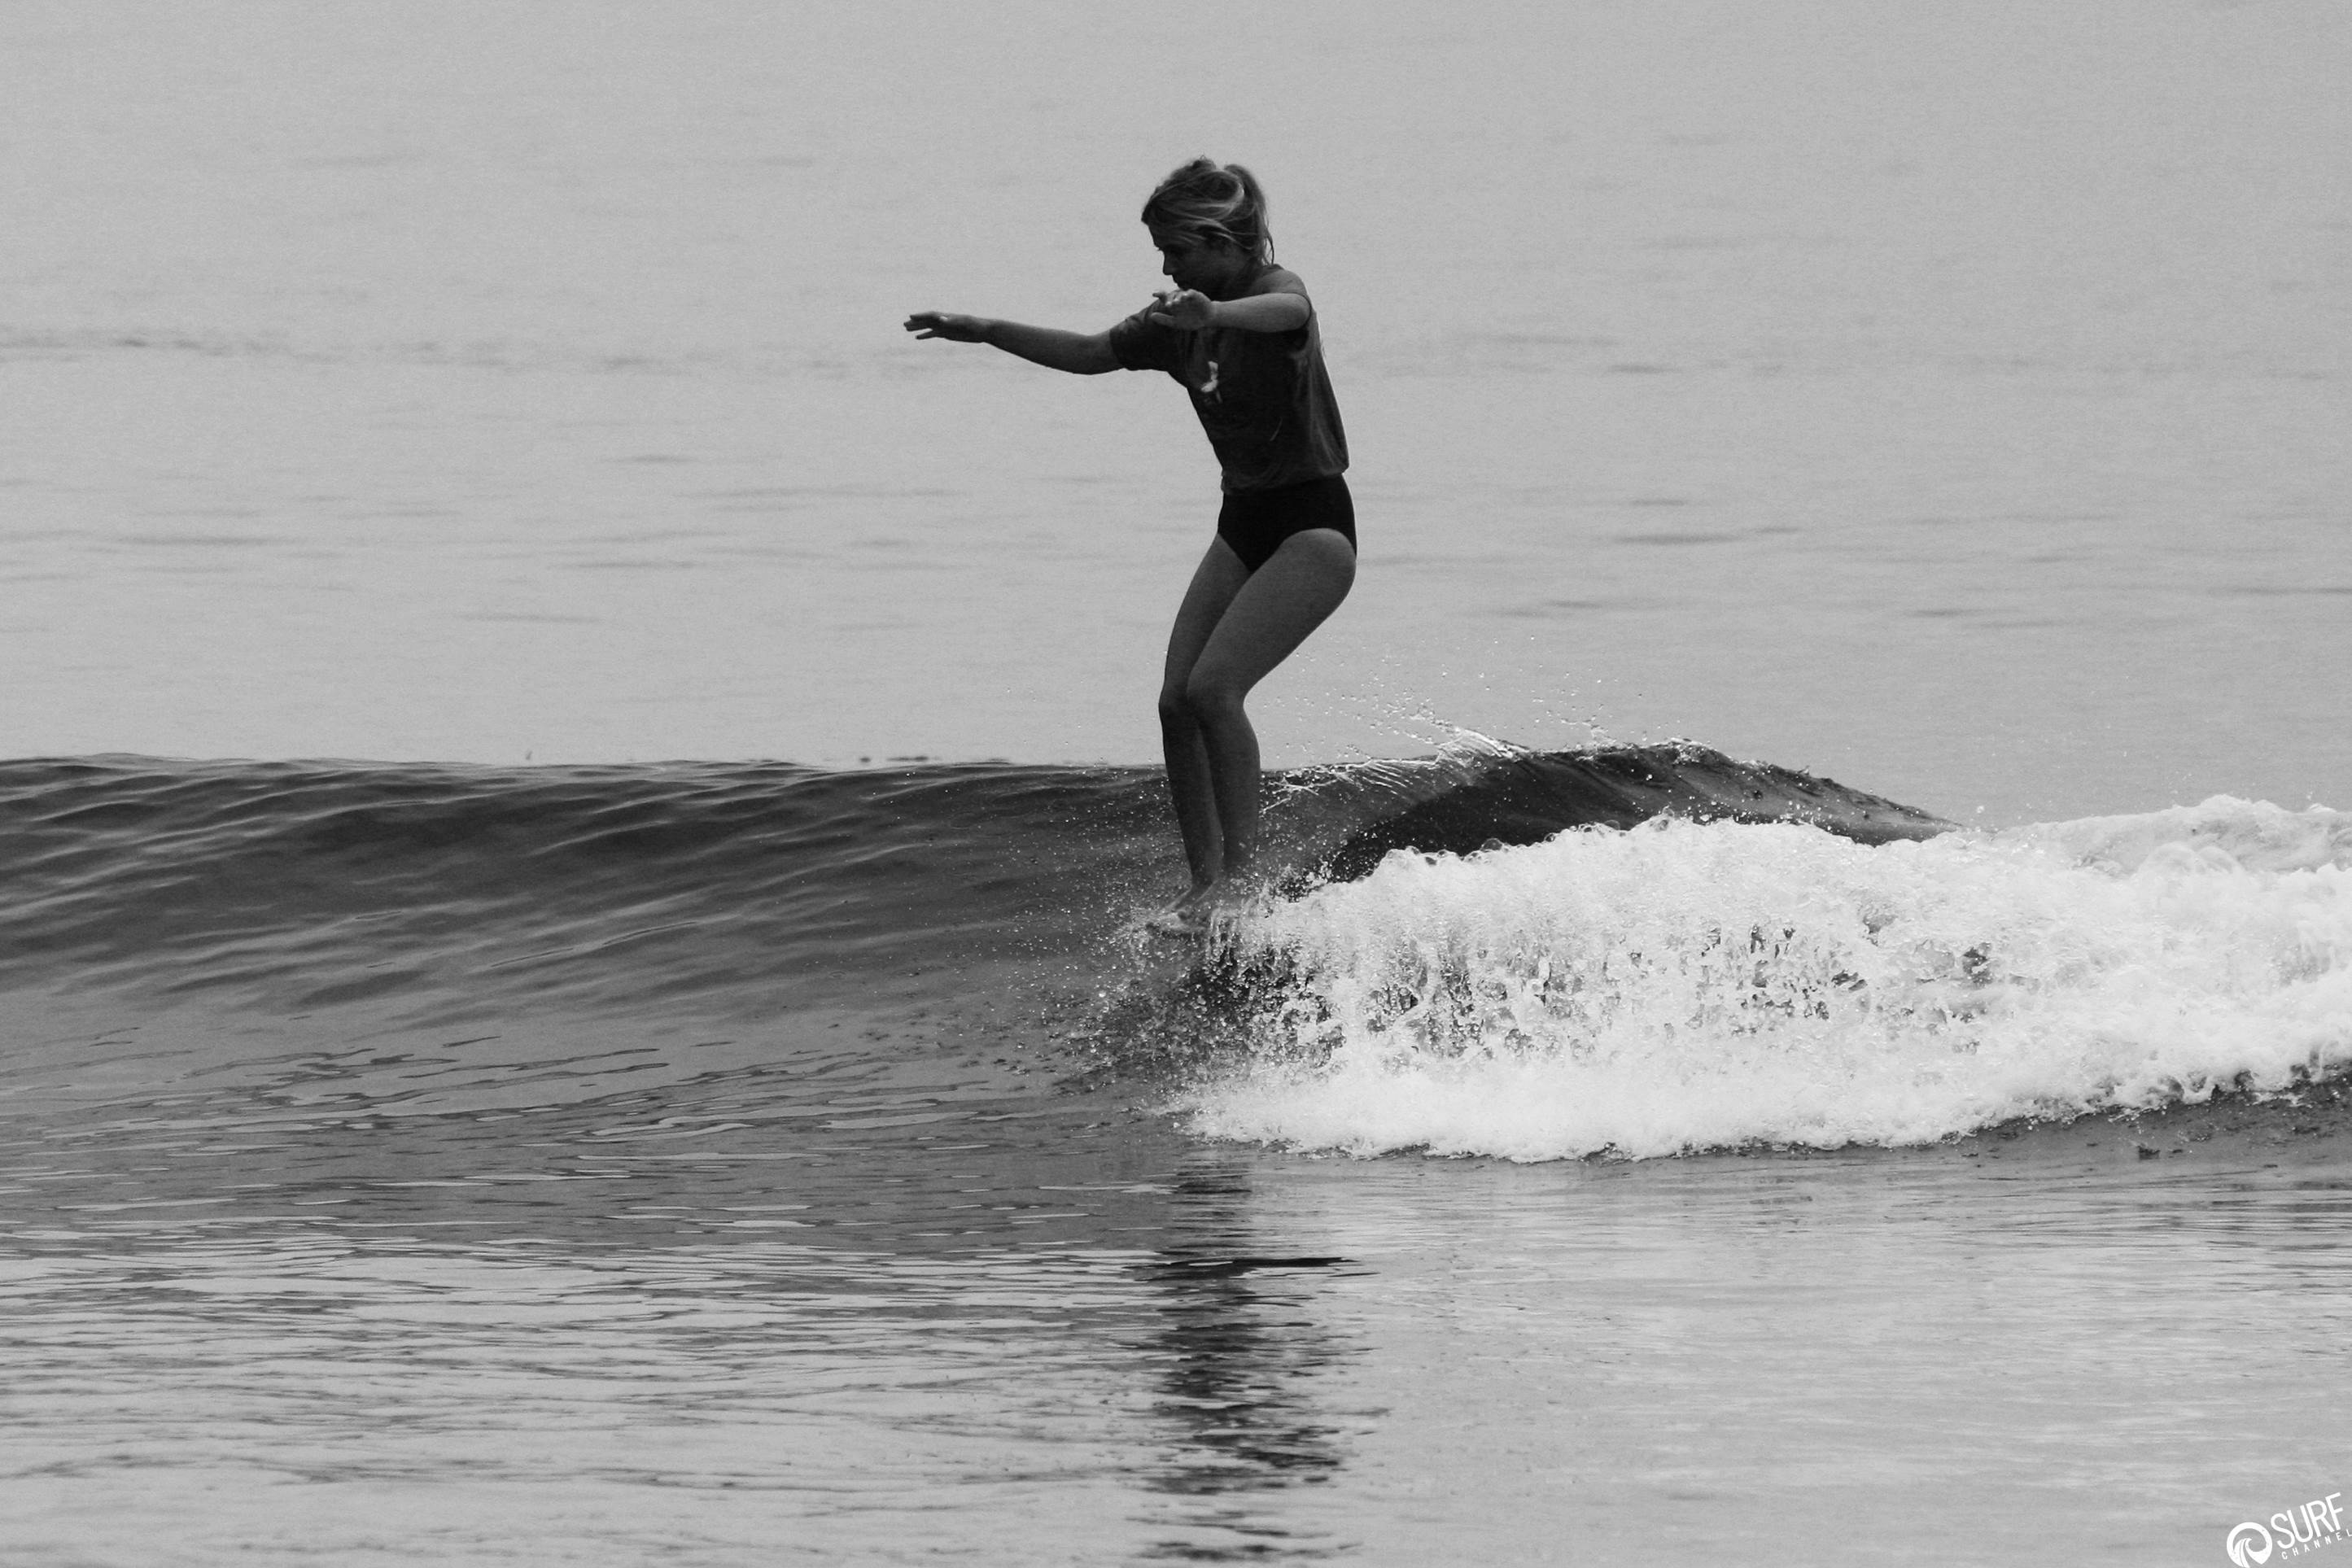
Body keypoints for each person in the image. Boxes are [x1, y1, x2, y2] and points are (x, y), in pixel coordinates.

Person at [905, 158, 1354, 934]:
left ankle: (1244, 886)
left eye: (1177, 250)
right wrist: (986, 332)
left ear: (1223, 243)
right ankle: (1205, 886)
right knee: (1175, 702)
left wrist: (1210, 312)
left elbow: (1290, 314)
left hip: (1313, 527)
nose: (1166, 266)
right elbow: (1086, 352)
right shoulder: (1173, 327)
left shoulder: (1272, 295)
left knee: (1216, 691)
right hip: (1242, 521)